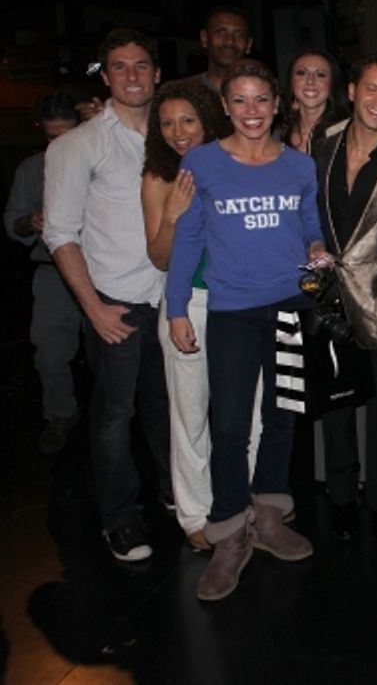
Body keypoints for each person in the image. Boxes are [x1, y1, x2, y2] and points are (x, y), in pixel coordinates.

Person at [166, 59, 327, 600]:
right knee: (231, 428)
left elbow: (308, 224)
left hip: (288, 308)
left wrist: (316, 246)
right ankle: (229, 532)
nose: (252, 111)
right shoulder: (202, 163)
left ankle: (270, 515)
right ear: (226, 106)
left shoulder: (299, 166)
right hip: (232, 311)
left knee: (281, 419)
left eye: (262, 100)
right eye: (240, 100)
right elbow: (187, 240)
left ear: (278, 104)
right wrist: (177, 308)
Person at [44, 28, 172, 562]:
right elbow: (59, 232)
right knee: (114, 418)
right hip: (117, 303)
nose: (133, 75)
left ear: (157, 73)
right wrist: (93, 308)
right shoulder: (77, 145)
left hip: (174, 301)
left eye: (141, 65)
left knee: (171, 412)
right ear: (104, 75)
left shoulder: (176, 138)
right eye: (120, 67)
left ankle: (177, 497)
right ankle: (119, 520)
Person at [313, 52, 377, 542]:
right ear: (352, 90)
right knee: (334, 398)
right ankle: (339, 492)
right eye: (373, 89)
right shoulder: (322, 143)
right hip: (329, 295)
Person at [141, 79, 235, 551]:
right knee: (190, 416)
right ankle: (195, 514)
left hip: (236, 303)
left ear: (207, 121)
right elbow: (159, 257)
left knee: (244, 415)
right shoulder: (159, 177)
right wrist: (174, 215)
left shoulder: (232, 164)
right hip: (187, 305)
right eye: (167, 122)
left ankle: (242, 506)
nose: (178, 131)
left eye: (188, 120)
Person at [5, 92, 82, 455]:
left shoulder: (97, 161)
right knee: (50, 353)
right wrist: (29, 221)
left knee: (116, 354)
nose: (62, 145)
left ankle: (117, 419)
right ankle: (59, 416)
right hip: (52, 272)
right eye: (53, 138)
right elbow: (11, 223)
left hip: (102, 270)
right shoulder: (32, 169)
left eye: (69, 135)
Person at [277, 48, 350, 155]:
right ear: (291, 82)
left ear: (332, 84)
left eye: (320, 74)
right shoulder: (276, 134)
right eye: (301, 73)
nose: (310, 81)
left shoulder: (346, 135)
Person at [190, 5, 254, 95]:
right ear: (204, 38)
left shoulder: (264, 93)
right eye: (221, 32)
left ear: (248, 45)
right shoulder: (184, 92)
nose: (230, 41)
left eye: (239, 35)